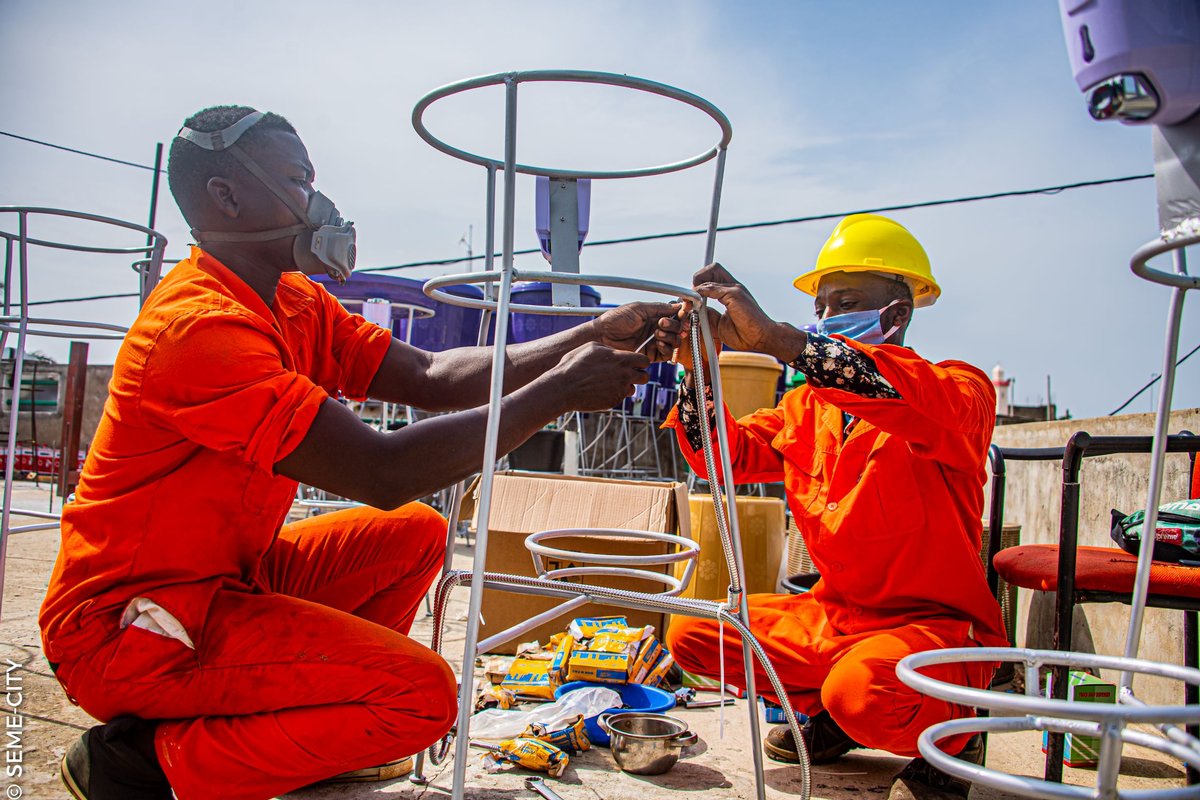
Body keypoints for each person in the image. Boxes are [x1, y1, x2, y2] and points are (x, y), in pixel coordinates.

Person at [39, 105, 683, 800]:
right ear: (225, 196)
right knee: (423, 698)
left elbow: (430, 377)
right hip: (134, 624)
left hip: (229, 580)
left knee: (416, 536)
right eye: (296, 179)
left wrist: (592, 333)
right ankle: (137, 765)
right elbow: (383, 470)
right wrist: (558, 392)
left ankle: (318, 731)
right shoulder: (197, 330)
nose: (317, 201)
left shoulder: (292, 302)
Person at [664, 214, 1006, 800]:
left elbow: (887, 388)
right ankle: (836, 715)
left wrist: (778, 339)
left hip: (931, 628)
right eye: (820, 308)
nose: (825, 319)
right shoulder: (807, 407)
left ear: (896, 316)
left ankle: (954, 737)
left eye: (844, 303)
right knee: (694, 632)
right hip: (836, 617)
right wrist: (696, 368)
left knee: (865, 691)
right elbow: (719, 459)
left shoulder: (960, 389)